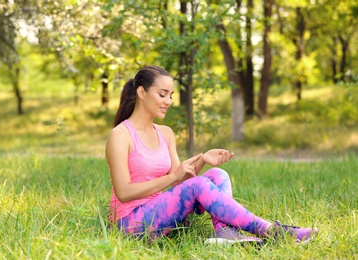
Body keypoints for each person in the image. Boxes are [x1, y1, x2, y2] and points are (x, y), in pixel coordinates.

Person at [105, 65, 318, 245]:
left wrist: (202, 160)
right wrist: (172, 177)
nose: (168, 101)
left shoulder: (165, 133)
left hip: (163, 215)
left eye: (170, 95)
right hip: (130, 225)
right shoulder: (121, 135)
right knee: (198, 185)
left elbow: (181, 182)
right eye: (162, 94)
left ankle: (225, 234)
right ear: (142, 93)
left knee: (217, 174)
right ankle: (274, 231)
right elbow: (124, 192)